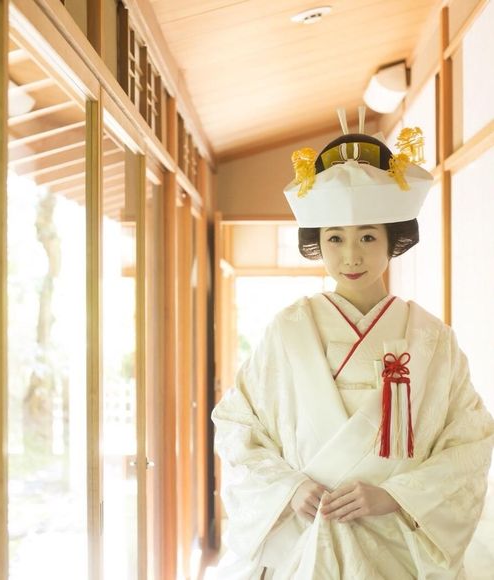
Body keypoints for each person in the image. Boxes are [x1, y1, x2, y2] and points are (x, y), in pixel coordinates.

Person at [211, 108, 494, 579]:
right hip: (306, 531)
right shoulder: (287, 330)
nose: (351, 256)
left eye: (367, 237)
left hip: (398, 539)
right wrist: (288, 488)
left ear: (391, 240)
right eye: (335, 239)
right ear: (318, 244)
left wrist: (396, 496)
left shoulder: (432, 339)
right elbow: (238, 426)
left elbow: (469, 441)